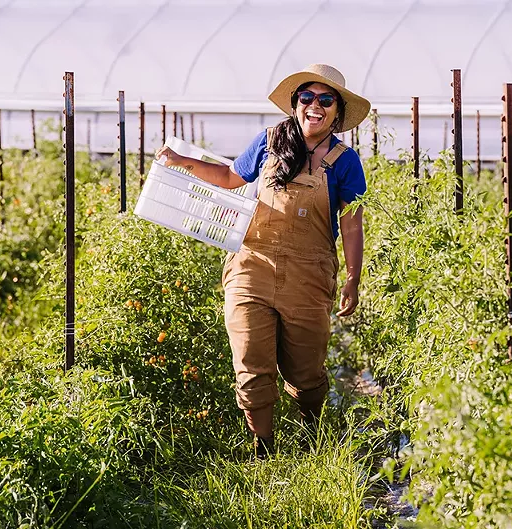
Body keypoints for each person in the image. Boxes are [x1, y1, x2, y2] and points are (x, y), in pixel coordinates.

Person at [155, 64, 370, 458]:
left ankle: (311, 434)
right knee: (251, 362)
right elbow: (229, 177)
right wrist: (183, 162)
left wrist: (353, 278)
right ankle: (263, 449)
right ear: (295, 104)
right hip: (251, 264)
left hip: (309, 273)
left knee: (306, 371)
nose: (315, 106)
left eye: (326, 100)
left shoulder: (346, 161)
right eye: (307, 97)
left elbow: (352, 225)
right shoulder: (269, 142)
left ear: (337, 111)